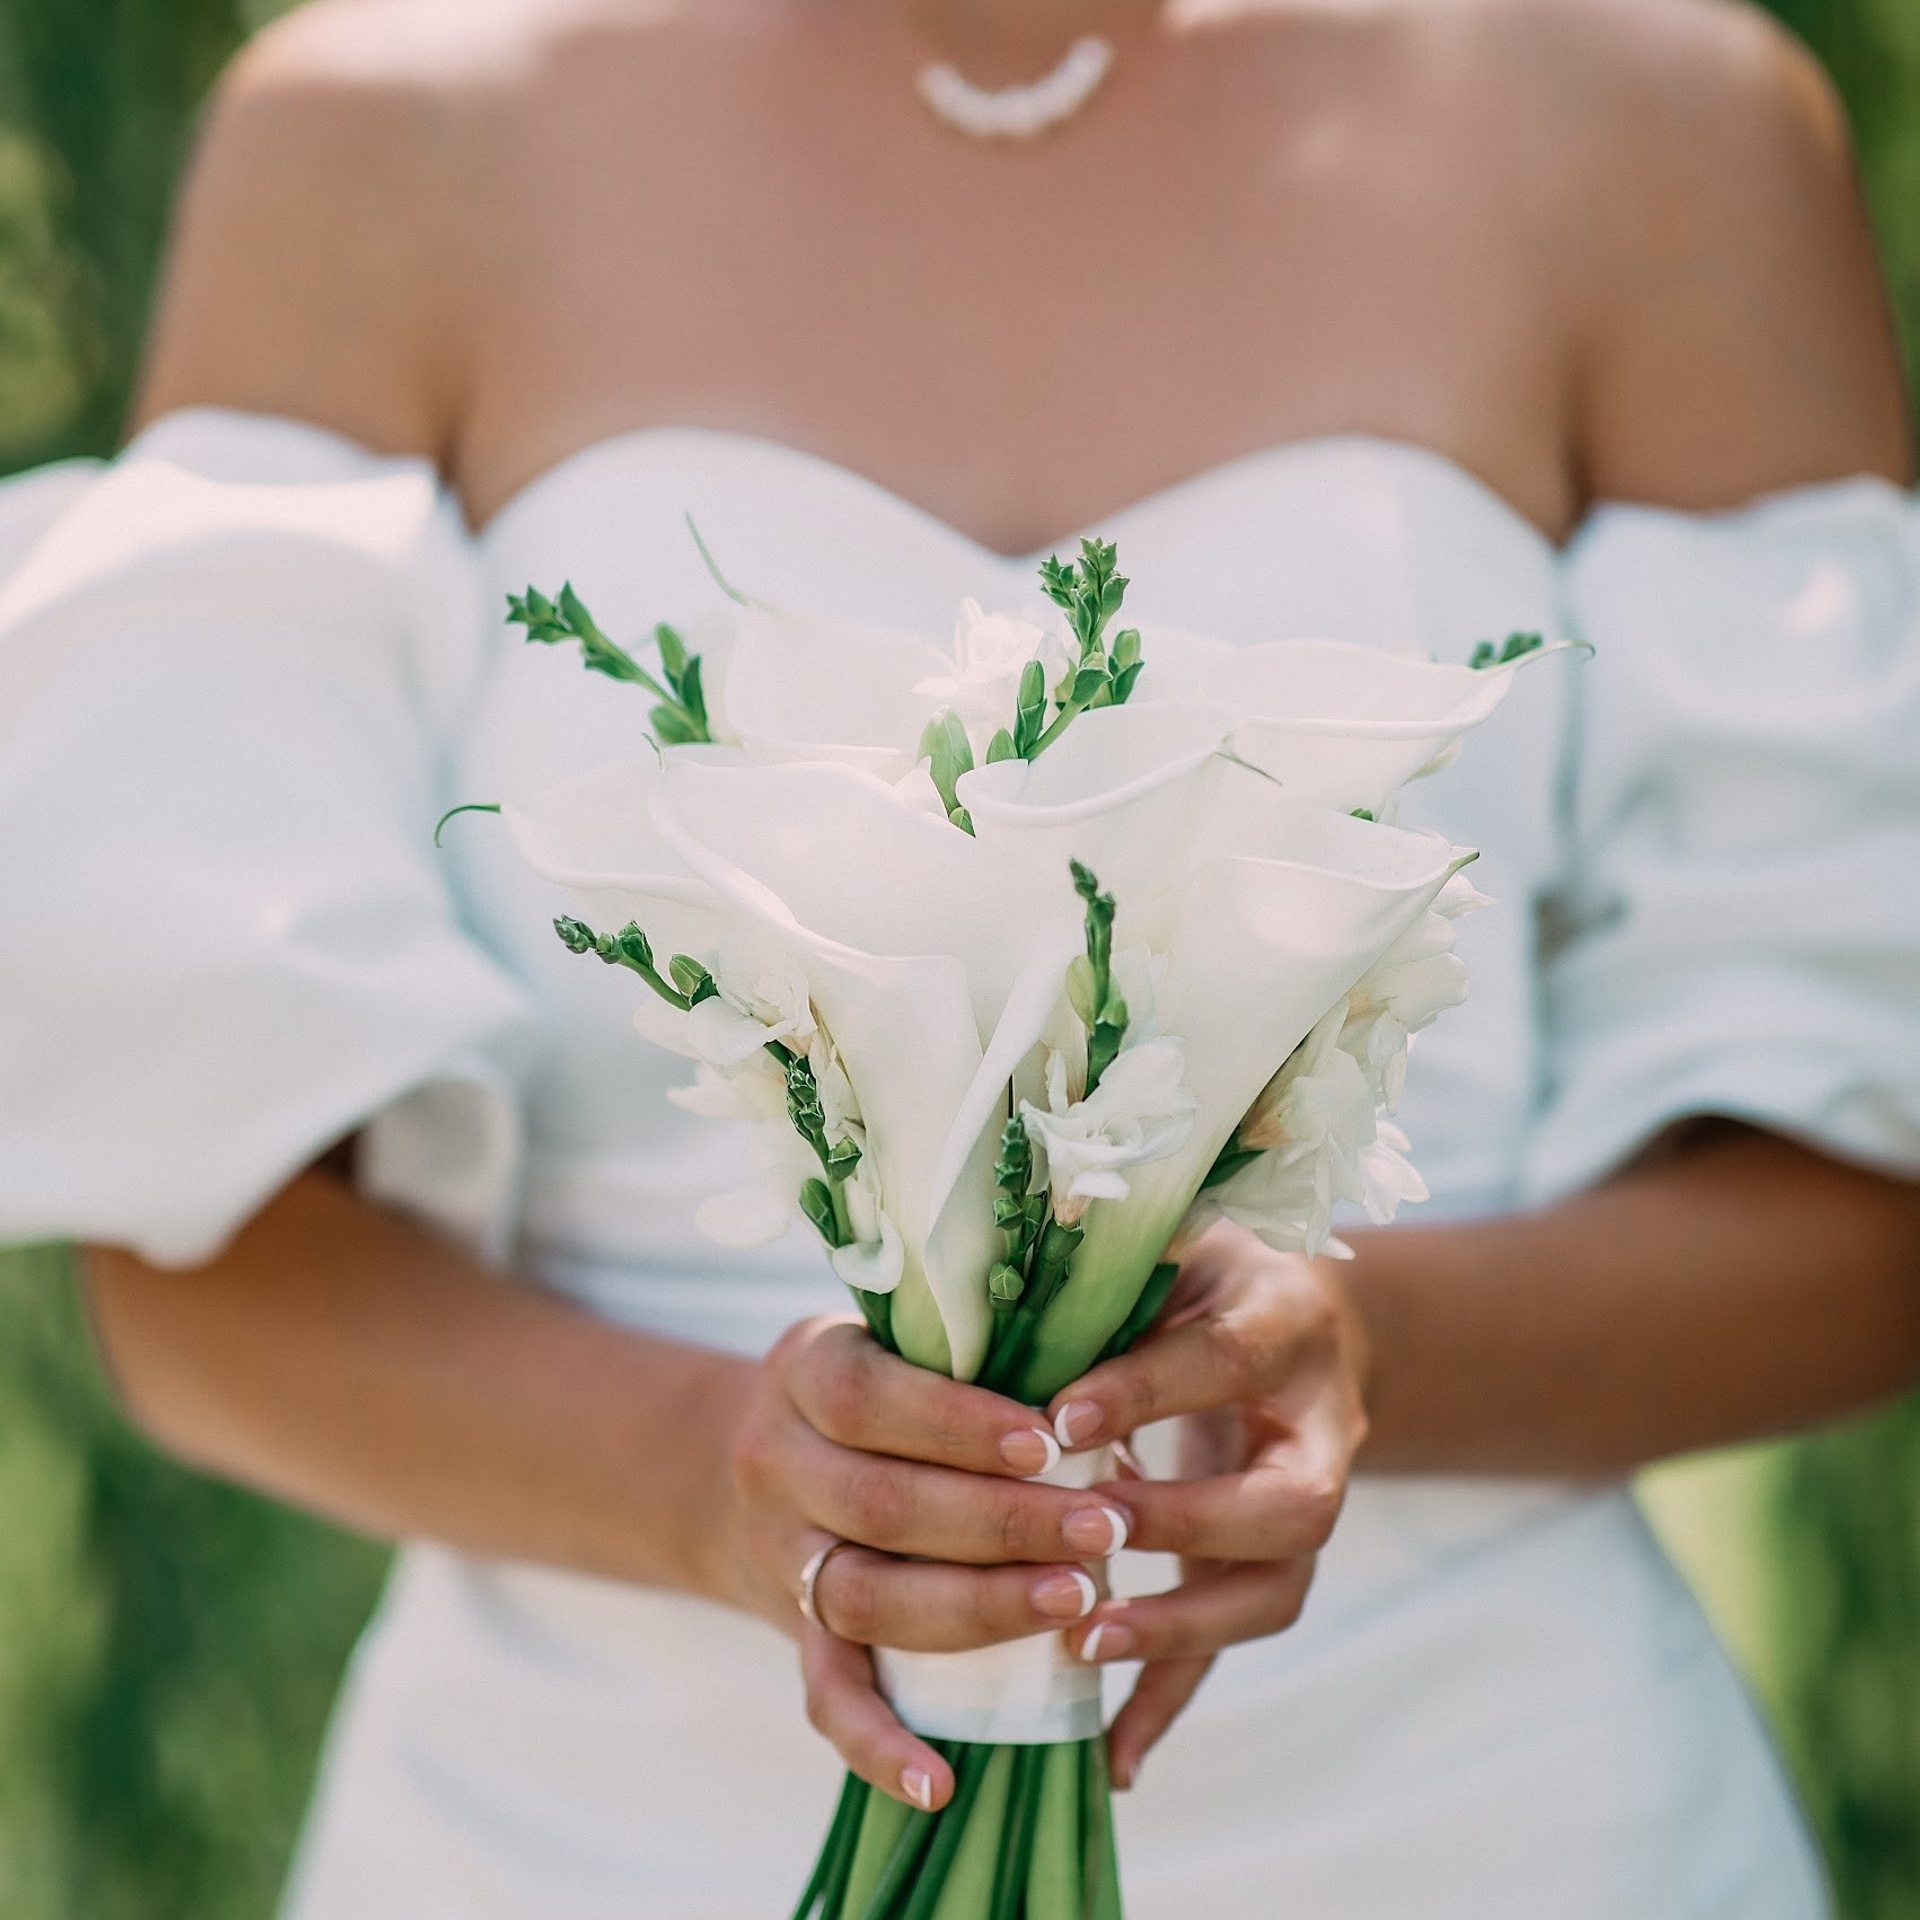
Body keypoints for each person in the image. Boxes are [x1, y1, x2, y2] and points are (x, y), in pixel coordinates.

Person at [4, 0, 1919, 1912]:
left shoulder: (1659, 121)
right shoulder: (381, 132)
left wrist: (1367, 1348)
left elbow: (1861, 1225)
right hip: (583, 1833)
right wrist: (720, 1476)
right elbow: (203, 1278)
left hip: (1481, 1819)